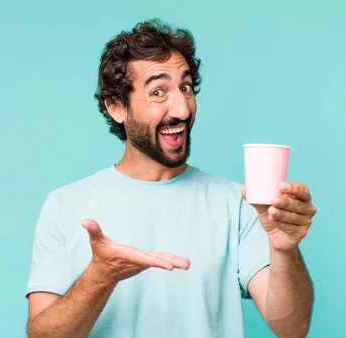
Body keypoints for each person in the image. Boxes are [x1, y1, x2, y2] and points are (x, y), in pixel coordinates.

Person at [24, 18, 317, 338]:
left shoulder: (240, 204)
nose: (181, 108)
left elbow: (292, 328)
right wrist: (99, 277)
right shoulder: (65, 205)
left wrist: (284, 247)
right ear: (117, 107)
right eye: (158, 91)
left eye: (186, 87)